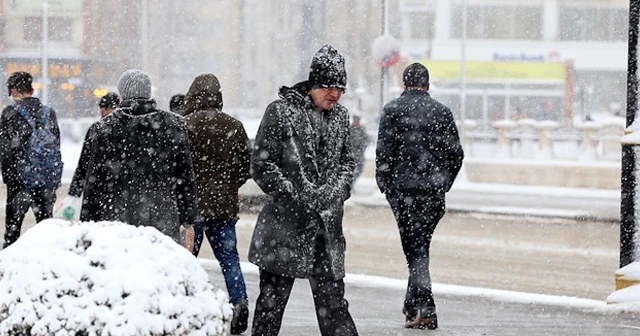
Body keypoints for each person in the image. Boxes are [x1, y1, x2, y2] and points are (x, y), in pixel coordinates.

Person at [249, 44, 359, 336]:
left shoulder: (340, 117)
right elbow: (262, 164)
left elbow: (348, 162)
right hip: (284, 227)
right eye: (327, 86)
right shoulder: (280, 112)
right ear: (312, 84)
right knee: (271, 307)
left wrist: (338, 190)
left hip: (326, 229)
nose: (334, 94)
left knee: (334, 306)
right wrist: (292, 196)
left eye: (340, 88)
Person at [375, 62, 464, 330]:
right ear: (427, 84)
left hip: (403, 193)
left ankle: (425, 310)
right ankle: (414, 306)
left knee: (415, 250)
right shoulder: (442, 112)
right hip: (432, 194)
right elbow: (456, 154)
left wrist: (386, 184)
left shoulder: (392, 110)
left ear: (404, 83)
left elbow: (384, 152)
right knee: (419, 248)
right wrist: (444, 183)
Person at [79, 69, 197, 250]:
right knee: (159, 270)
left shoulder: (104, 129)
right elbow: (185, 176)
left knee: (120, 271)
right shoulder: (173, 126)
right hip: (161, 214)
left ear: (122, 94)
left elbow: (94, 181)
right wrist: (188, 216)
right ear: (148, 93)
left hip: (115, 216)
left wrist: (87, 221)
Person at [183, 73, 252, 335]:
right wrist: (231, 185)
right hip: (224, 207)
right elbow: (247, 165)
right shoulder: (233, 126)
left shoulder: (184, 125)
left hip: (194, 208)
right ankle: (239, 301)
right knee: (229, 259)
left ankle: (186, 305)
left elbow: (176, 166)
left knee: (187, 260)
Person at [0, 71, 62, 248]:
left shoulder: (9, 113)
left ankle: (10, 270)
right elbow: (56, 145)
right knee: (46, 230)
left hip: (19, 182)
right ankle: (49, 266)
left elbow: (5, 151)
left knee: (13, 233)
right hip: (45, 182)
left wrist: (10, 180)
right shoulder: (49, 113)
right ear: (32, 90)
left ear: (13, 91)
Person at [67, 92, 120, 199]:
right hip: (121, 190)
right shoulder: (128, 128)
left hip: (98, 187)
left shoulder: (97, 129)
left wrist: (75, 191)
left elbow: (84, 162)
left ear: (102, 109)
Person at [348, 115, 370, 189]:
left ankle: (352, 182)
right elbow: (347, 141)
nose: (356, 122)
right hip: (351, 155)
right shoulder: (350, 129)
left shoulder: (361, 130)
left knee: (360, 170)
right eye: (355, 121)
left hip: (359, 155)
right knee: (350, 171)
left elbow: (367, 140)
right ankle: (350, 184)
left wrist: (362, 146)